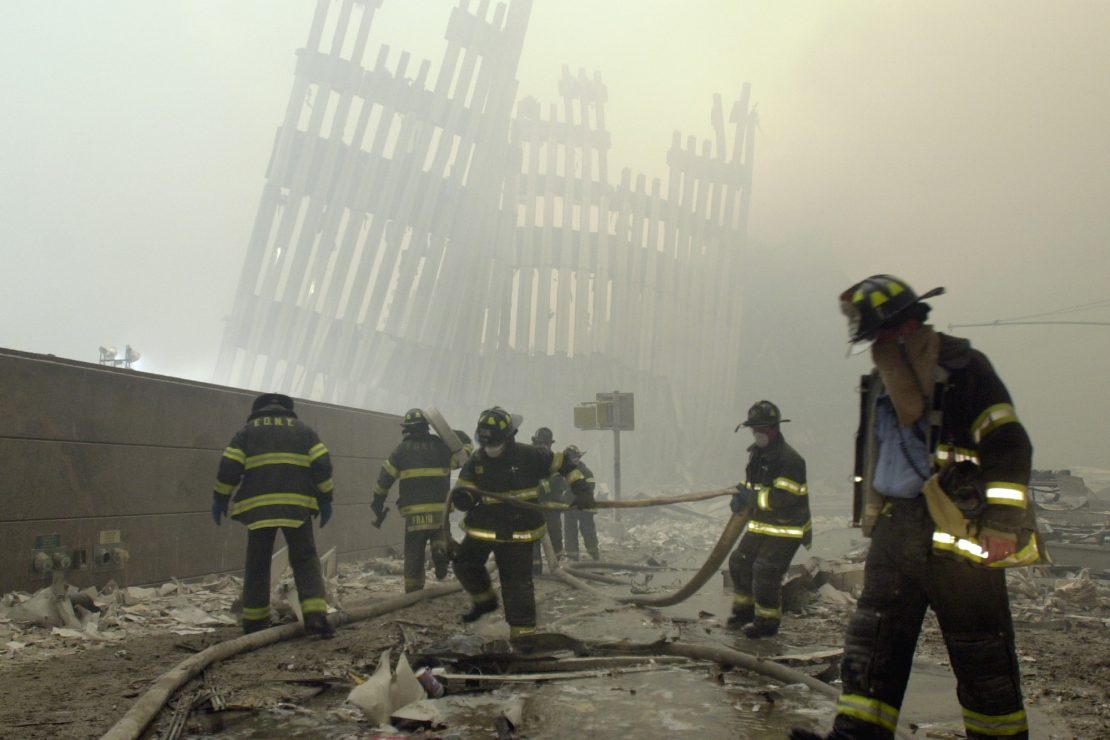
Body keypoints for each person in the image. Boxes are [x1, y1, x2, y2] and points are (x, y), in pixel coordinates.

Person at [791, 275, 1042, 740]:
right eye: (871, 341)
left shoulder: (965, 370)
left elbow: (1010, 444)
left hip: (957, 535)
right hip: (895, 532)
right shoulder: (880, 384)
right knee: (872, 648)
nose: (877, 348)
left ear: (908, 326)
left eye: (881, 336)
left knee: (981, 656)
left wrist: (1003, 525)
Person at [450, 407, 595, 640]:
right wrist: (464, 498)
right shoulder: (477, 459)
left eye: (495, 443)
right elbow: (466, 488)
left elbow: (564, 464)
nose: (491, 450)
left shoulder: (530, 455)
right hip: (485, 525)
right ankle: (484, 601)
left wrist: (582, 489)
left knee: (516, 583)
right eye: (487, 444)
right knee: (464, 563)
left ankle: (524, 635)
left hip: (519, 527)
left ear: (508, 437)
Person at [212, 393, 335, 637]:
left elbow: (229, 467)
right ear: (287, 410)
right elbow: (322, 465)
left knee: (257, 564)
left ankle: (255, 622)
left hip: (259, 509)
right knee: (305, 559)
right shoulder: (304, 431)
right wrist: (325, 499)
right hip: (296, 507)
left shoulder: (246, 432)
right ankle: (315, 619)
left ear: (259, 410)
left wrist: (220, 498)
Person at [726, 400, 811, 638]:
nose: (757, 433)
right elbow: (756, 486)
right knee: (739, 562)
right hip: (763, 524)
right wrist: (742, 495)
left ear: (774, 428)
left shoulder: (790, 460)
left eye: (762, 428)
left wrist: (753, 498)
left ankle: (766, 622)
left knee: (765, 571)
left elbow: (785, 497)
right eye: (754, 428)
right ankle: (744, 613)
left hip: (786, 527)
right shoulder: (757, 454)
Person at [371, 408, 457, 592]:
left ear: (407, 429)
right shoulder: (442, 447)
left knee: (414, 551)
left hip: (414, 512)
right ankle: (439, 550)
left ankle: (413, 590)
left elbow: (384, 478)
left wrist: (377, 502)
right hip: (440, 508)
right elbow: (460, 458)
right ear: (427, 427)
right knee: (440, 534)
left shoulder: (401, 451)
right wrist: (452, 436)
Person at [529, 426, 565, 574]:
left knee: (555, 535)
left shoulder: (555, 461)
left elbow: (558, 484)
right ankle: (535, 567)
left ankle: (556, 566)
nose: (543, 446)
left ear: (550, 444)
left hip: (551, 509)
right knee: (533, 537)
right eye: (540, 443)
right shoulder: (528, 458)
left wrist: (542, 486)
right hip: (533, 508)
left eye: (546, 443)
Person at [562, 445, 600, 561]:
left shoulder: (586, 472)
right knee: (570, 530)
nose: (575, 459)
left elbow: (590, 487)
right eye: (572, 458)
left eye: (576, 457)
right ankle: (572, 555)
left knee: (588, 530)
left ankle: (594, 553)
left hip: (585, 507)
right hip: (570, 507)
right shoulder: (563, 473)